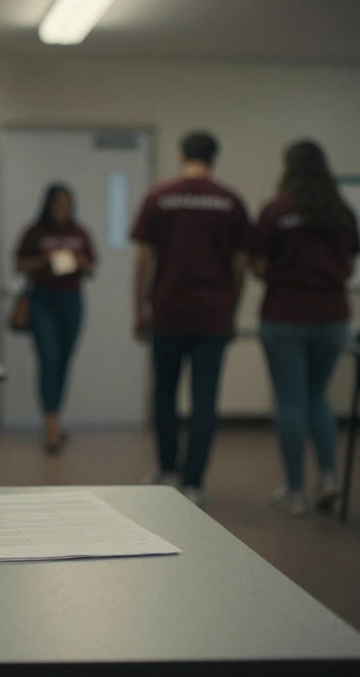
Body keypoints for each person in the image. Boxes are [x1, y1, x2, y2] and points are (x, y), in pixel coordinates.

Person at [131, 131, 250, 506]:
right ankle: (194, 481)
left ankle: (166, 470)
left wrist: (140, 309)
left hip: (168, 311)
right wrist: (231, 309)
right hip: (213, 314)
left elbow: (143, 259)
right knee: (204, 400)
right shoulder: (230, 202)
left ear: (182, 155)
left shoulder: (159, 197)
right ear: (214, 158)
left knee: (164, 394)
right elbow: (241, 264)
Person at [250, 140, 360, 516]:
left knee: (291, 402)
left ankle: (295, 491)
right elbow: (349, 265)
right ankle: (329, 477)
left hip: (284, 316)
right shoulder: (341, 212)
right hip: (332, 318)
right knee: (318, 397)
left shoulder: (276, 211)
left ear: (288, 168)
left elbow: (260, 266)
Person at [15, 183, 97, 454]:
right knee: (48, 359)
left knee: (63, 361)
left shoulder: (79, 232)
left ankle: (55, 418)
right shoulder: (35, 232)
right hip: (43, 300)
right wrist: (43, 261)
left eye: (67, 204)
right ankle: (50, 425)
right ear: (48, 205)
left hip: (71, 301)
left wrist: (78, 260)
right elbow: (19, 264)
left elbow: (92, 267)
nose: (63, 209)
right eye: (58, 204)